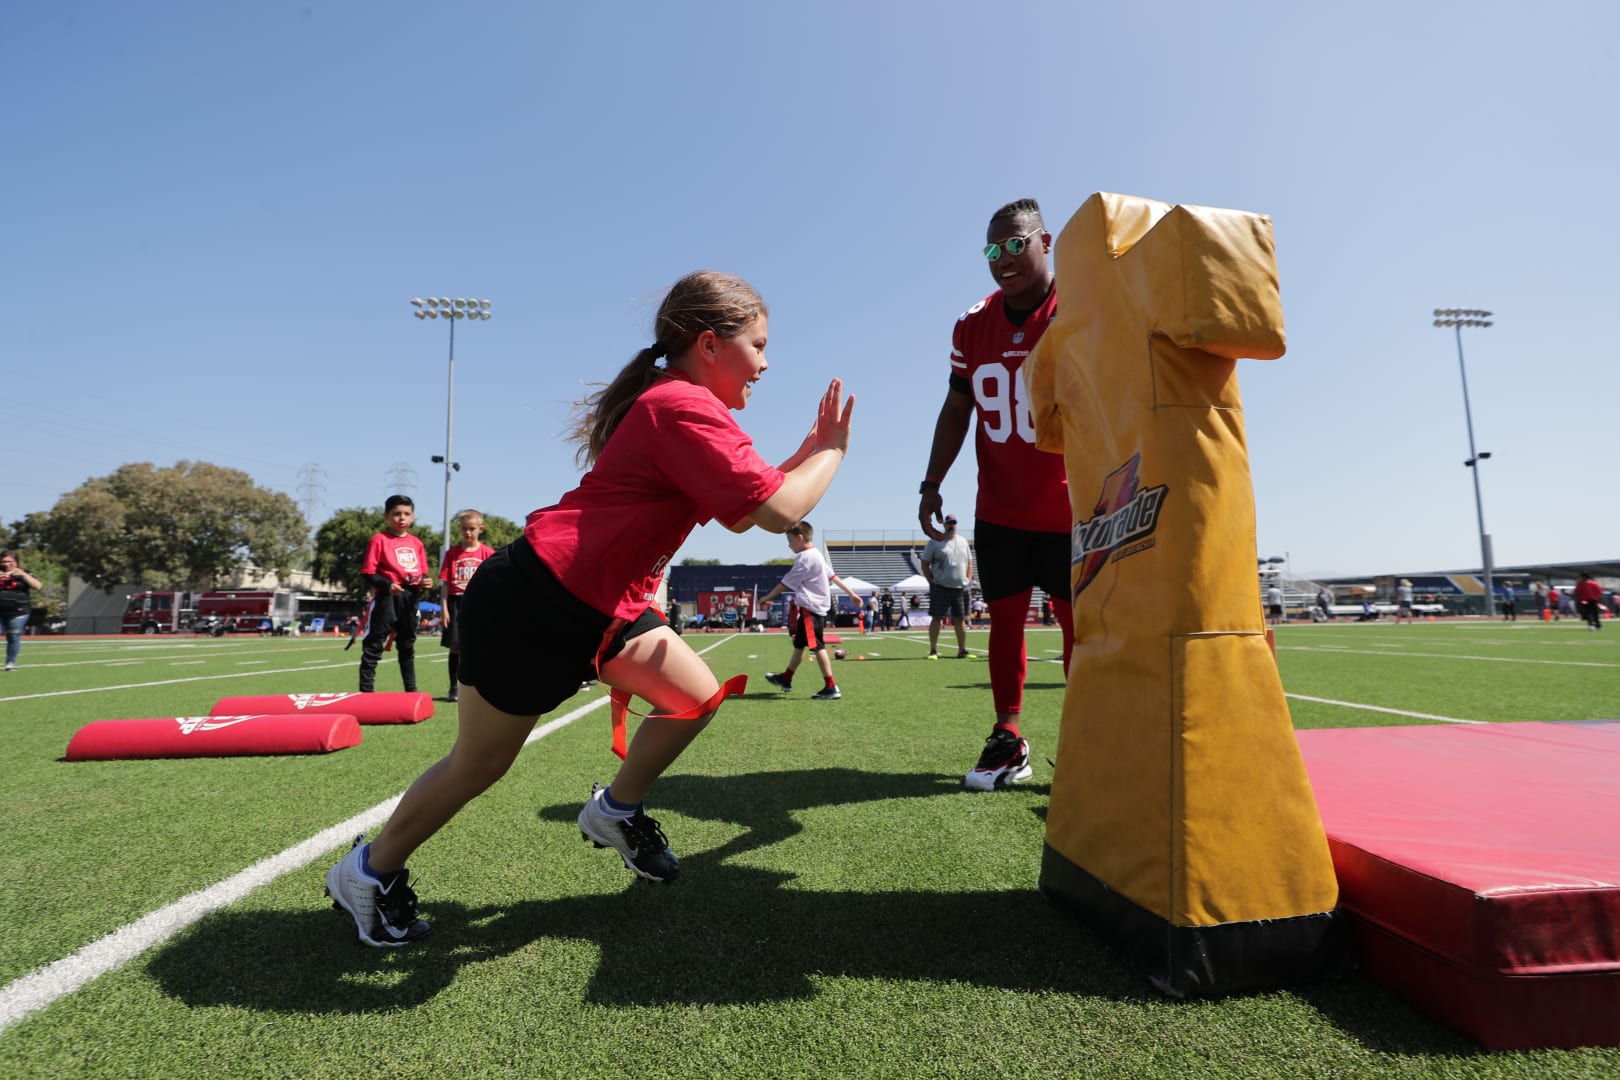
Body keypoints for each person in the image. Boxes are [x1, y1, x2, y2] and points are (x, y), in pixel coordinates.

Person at [325, 270, 854, 947]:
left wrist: (809, 454)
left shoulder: (684, 405)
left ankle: (616, 810)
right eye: (758, 344)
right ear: (710, 345)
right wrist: (833, 451)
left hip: (598, 602)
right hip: (537, 598)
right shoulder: (681, 406)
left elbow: (754, 500)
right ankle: (367, 872)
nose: (766, 362)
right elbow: (777, 510)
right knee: (479, 764)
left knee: (693, 696)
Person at [918, 197, 1076, 792]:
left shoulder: (1081, 307)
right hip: (1002, 506)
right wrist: (932, 481)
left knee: (1077, 628)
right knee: (1005, 623)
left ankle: (1088, 737)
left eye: (1015, 245)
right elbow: (959, 404)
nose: (1003, 258)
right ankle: (1008, 737)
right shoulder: (972, 323)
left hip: (1071, 504)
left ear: (1046, 241)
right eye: (992, 249)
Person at [760, 520, 862, 700]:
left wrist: (767, 598)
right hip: (815, 607)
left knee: (818, 646)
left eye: (790, 541)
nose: (789, 545)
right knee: (799, 645)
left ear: (800, 538)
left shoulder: (804, 557)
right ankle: (786, 678)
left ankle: (831, 687)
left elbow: (786, 583)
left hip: (811, 609)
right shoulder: (817, 554)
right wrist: (851, 593)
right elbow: (833, 576)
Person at [356, 495, 430, 693]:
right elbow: (368, 573)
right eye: (396, 514)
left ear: (413, 517)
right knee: (374, 644)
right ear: (386, 516)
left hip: (410, 598)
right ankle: (366, 692)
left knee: (407, 645)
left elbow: (422, 573)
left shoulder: (417, 543)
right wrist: (387, 585)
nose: (401, 518)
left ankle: (411, 691)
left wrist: (425, 582)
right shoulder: (379, 540)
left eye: (406, 514)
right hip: (387, 598)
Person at [438, 508, 497, 702]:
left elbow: (494, 582)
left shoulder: (488, 553)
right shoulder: (452, 554)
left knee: (480, 645)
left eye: (472, 528)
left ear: (481, 528)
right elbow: (445, 583)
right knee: (455, 648)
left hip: (479, 602)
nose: (468, 532)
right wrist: (444, 608)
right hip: (456, 601)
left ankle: (482, 687)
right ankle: (453, 688)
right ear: (459, 529)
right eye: (464, 528)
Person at [920, 513, 974, 659]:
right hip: (941, 586)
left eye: (954, 523)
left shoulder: (963, 541)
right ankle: (933, 650)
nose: (952, 525)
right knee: (937, 618)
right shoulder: (934, 542)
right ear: (944, 525)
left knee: (960, 619)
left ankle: (962, 650)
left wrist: (968, 579)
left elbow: (970, 562)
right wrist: (931, 581)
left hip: (961, 587)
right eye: (949, 523)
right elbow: (924, 563)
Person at [0, 551, 42, 672]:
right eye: (3, 561)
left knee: (13, 636)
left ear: (16, 562)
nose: (6, 564)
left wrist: (23, 574)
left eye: (10, 561)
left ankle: (10, 662)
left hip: (19, 610)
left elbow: (38, 586)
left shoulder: (24, 573)